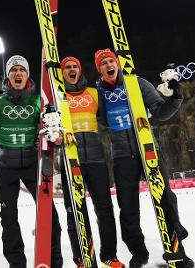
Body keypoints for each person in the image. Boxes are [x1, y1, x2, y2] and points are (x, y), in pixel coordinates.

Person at [94, 49, 194, 268]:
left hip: (147, 149)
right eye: (104, 63)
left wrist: (175, 96)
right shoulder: (98, 93)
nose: (109, 65)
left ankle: (177, 249)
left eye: (111, 61)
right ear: (99, 69)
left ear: (118, 64)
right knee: (127, 207)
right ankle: (138, 252)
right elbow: (97, 119)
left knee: (165, 197)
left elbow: (160, 112)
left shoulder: (137, 83)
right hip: (121, 156)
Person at [0, 55, 63, 267]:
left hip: (32, 165)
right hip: (6, 167)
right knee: (8, 218)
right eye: (13, 70)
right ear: (7, 75)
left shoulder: (39, 101)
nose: (17, 73)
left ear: (27, 74)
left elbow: (55, 131)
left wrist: (57, 134)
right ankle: (16, 263)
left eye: (22, 70)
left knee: (50, 214)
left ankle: (54, 260)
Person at [60, 56, 124, 268]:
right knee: (75, 210)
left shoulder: (94, 93)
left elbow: (108, 118)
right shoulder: (58, 96)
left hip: (96, 159)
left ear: (79, 70)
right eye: (67, 67)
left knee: (104, 209)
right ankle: (81, 257)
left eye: (74, 66)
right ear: (61, 72)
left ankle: (109, 256)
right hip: (71, 160)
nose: (71, 69)